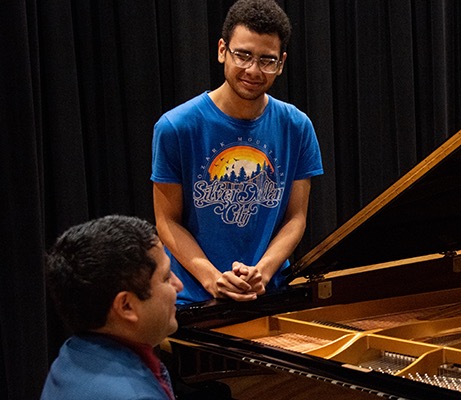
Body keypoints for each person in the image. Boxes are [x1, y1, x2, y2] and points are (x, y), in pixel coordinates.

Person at [152, 0, 324, 304]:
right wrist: (212, 277)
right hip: (194, 299)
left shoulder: (297, 126)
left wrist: (264, 271)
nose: (253, 70)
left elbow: (296, 217)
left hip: (268, 293)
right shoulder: (175, 127)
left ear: (281, 63)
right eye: (243, 55)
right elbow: (167, 221)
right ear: (222, 50)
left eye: (266, 60)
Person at [41, 215, 183, 400]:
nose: (178, 285)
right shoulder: (136, 396)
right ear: (126, 306)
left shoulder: (71, 354)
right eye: (166, 278)